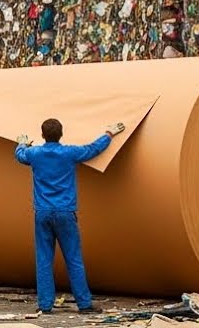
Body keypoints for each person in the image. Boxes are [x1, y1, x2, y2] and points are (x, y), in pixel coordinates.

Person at [14, 118, 125, 314]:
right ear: (61, 133)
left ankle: (45, 305)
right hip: (65, 212)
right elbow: (92, 150)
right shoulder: (69, 153)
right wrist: (109, 133)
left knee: (44, 260)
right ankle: (84, 303)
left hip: (42, 213)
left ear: (42, 135)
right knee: (73, 259)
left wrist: (22, 142)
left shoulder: (35, 153)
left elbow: (20, 155)